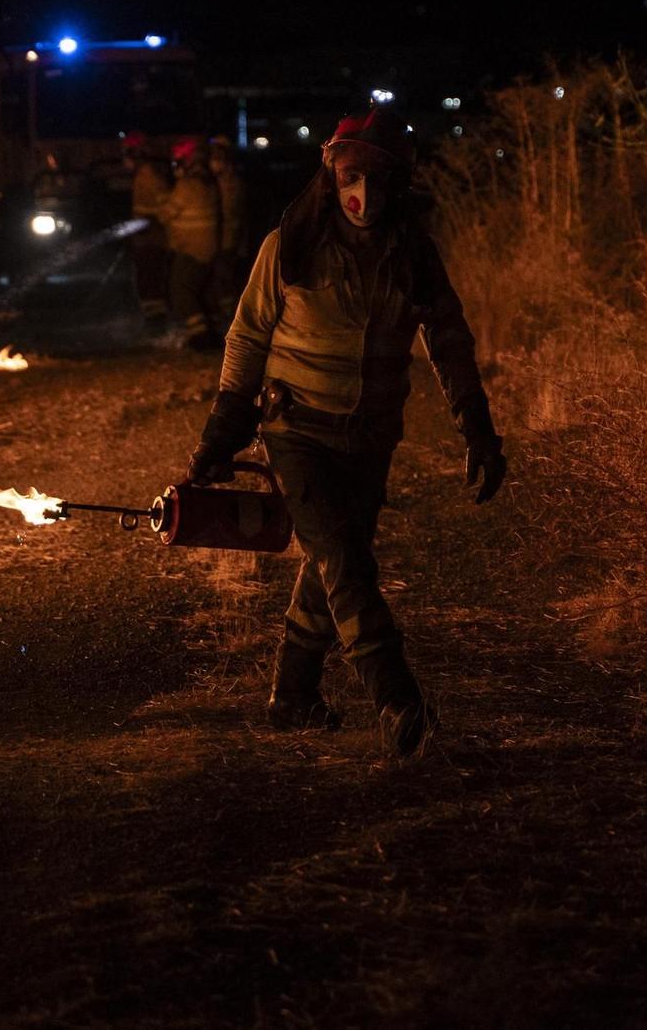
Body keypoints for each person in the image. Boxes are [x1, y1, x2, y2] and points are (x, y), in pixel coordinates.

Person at [183, 107, 507, 756]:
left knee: (334, 559)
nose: (363, 192)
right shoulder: (292, 243)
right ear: (330, 174)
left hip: (370, 436)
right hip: (296, 427)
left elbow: (448, 338)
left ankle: (293, 694)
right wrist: (222, 430)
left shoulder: (413, 253)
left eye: (376, 177)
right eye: (350, 174)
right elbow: (247, 333)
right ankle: (397, 700)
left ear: (399, 181)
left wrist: (477, 427)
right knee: (345, 562)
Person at [160, 135, 224, 349]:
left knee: (180, 291)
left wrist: (163, 196)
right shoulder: (211, 184)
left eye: (178, 162)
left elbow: (165, 214)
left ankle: (200, 338)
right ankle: (212, 334)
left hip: (189, 249)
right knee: (203, 292)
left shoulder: (186, 186)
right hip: (209, 248)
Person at [123, 134, 173, 321]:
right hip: (146, 238)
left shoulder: (149, 176)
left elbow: (163, 208)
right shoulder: (143, 175)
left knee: (151, 280)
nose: (125, 159)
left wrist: (148, 224)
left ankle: (157, 320)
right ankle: (153, 317)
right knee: (147, 279)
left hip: (152, 239)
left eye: (128, 153)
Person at [207, 136, 247, 302]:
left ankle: (228, 311)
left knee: (225, 276)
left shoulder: (231, 181)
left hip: (227, 237)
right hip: (217, 237)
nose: (214, 160)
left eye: (218, 155)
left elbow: (231, 211)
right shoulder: (216, 179)